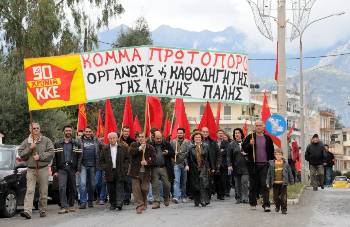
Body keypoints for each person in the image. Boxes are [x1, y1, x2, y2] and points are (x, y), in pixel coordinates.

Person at [18, 122, 54, 219]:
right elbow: (20, 154)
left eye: (38, 128)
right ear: (30, 130)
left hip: (43, 169)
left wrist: (40, 157)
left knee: (43, 192)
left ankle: (42, 210)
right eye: (34, 128)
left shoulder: (46, 140)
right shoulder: (26, 141)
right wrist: (30, 148)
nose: (36, 130)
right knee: (29, 190)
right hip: (31, 170)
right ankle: (27, 211)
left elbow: (51, 152)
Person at [242, 120, 274, 212]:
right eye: (256, 125)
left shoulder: (267, 138)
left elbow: (271, 152)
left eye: (260, 125)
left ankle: (266, 205)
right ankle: (253, 203)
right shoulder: (250, 137)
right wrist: (250, 144)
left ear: (263, 127)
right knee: (253, 185)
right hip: (253, 164)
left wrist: (271, 163)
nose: (258, 127)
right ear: (254, 127)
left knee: (265, 185)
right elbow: (244, 149)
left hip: (264, 165)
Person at [52, 125, 82, 214]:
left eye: (69, 130)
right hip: (62, 169)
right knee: (62, 187)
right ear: (63, 132)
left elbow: (80, 157)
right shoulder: (57, 143)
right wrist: (55, 170)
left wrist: (78, 169)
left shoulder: (76, 143)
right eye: (66, 130)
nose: (68, 132)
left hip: (72, 168)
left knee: (72, 187)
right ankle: (64, 207)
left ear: (71, 132)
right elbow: (54, 158)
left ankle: (71, 205)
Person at [99, 132, 130, 210]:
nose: (112, 140)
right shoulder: (105, 148)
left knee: (120, 187)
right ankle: (113, 203)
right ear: (108, 139)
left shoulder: (123, 147)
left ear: (117, 138)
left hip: (120, 170)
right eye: (110, 138)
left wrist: (124, 168)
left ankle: (119, 203)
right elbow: (101, 160)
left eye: (113, 138)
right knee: (111, 188)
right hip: (109, 171)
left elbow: (127, 159)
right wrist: (105, 167)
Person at [129, 132, 156, 214]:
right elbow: (131, 153)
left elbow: (154, 159)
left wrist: (147, 162)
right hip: (135, 172)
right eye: (139, 137)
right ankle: (139, 205)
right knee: (136, 190)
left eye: (142, 137)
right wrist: (139, 148)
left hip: (146, 172)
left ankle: (144, 201)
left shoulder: (150, 147)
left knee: (144, 188)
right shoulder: (134, 145)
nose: (141, 138)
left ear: (146, 138)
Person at [149, 131, 175, 209]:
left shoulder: (166, 144)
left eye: (160, 138)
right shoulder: (150, 145)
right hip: (154, 168)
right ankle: (156, 202)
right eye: (157, 138)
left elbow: (173, 153)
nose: (159, 140)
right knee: (155, 185)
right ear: (153, 138)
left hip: (164, 167)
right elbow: (146, 154)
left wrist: (168, 152)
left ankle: (166, 197)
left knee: (167, 184)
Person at [185, 132, 210, 207]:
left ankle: (204, 200)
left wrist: (211, 167)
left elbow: (209, 157)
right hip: (194, 167)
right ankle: (197, 200)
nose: (197, 139)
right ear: (193, 139)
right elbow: (186, 157)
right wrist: (186, 165)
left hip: (203, 167)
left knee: (203, 183)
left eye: (199, 137)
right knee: (196, 185)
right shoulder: (190, 147)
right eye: (196, 137)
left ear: (201, 138)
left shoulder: (206, 146)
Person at [266, 148, 294, 214]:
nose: (278, 156)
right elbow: (269, 174)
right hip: (275, 183)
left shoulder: (285, 164)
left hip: (283, 183)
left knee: (284, 197)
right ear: (275, 155)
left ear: (282, 155)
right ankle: (277, 206)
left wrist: (291, 180)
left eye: (280, 154)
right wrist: (267, 182)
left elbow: (290, 172)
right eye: (277, 154)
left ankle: (284, 209)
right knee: (275, 197)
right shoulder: (272, 164)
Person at [79, 126, 101, 209]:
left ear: (92, 132)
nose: (88, 133)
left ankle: (90, 200)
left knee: (92, 184)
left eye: (89, 131)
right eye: (86, 131)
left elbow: (104, 147)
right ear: (84, 132)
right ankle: (83, 202)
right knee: (83, 184)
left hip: (93, 166)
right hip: (83, 165)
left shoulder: (96, 141)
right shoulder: (79, 141)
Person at [227, 128, 249, 204]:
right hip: (236, 166)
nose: (237, 134)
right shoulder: (231, 144)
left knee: (244, 182)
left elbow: (251, 152)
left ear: (241, 134)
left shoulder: (246, 142)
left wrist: (247, 154)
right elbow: (228, 156)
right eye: (235, 133)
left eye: (238, 133)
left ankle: (245, 197)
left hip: (246, 166)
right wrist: (229, 165)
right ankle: (238, 198)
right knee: (237, 184)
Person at [201, 127, 221, 201]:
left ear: (208, 133)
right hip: (199, 165)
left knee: (208, 182)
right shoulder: (196, 141)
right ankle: (201, 196)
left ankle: (207, 196)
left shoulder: (213, 142)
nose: (205, 133)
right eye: (203, 132)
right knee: (201, 181)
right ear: (201, 132)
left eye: (206, 132)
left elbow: (218, 154)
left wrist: (216, 166)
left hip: (210, 166)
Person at [171, 128, 190, 203]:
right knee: (176, 181)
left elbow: (188, 153)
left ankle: (184, 196)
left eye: (181, 133)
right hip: (176, 164)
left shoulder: (188, 142)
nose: (179, 134)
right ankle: (176, 197)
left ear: (184, 134)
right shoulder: (173, 142)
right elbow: (170, 153)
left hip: (185, 164)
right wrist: (173, 154)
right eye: (178, 133)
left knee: (184, 181)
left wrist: (180, 153)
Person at [120, 126, 136, 206]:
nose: (126, 133)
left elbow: (134, 152)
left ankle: (127, 198)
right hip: (120, 163)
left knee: (128, 181)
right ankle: (120, 198)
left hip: (129, 163)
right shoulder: (118, 140)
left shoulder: (133, 141)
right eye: (125, 131)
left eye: (127, 131)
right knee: (121, 181)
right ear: (122, 131)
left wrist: (128, 147)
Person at [215, 129, 230, 199]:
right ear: (217, 134)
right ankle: (218, 193)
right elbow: (213, 153)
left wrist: (219, 152)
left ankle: (223, 194)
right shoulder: (214, 143)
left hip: (224, 164)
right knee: (217, 180)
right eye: (219, 133)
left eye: (222, 133)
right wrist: (220, 151)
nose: (220, 134)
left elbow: (226, 152)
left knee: (223, 179)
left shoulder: (226, 143)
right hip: (216, 164)